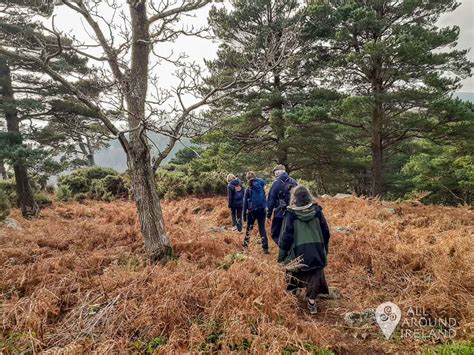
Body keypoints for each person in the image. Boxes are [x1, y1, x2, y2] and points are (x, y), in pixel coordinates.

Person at [278, 185, 330, 315]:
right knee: (315, 273)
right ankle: (312, 303)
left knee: (292, 268)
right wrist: (324, 249)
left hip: (298, 250)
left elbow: (286, 237)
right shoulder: (317, 210)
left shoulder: (291, 213)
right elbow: (326, 232)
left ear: (294, 198)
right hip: (316, 248)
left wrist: (281, 256)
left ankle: (293, 297)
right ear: (308, 196)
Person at [267, 165, 297, 245]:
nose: (275, 175)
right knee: (291, 233)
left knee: (275, 234)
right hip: (294, 212)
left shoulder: (276, 183)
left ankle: (283, 250)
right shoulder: (293, 182)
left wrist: (268, 215)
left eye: (275, 173)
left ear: (277, 172)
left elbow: (271, 199)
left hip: (280, 213)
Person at [243, 171, 269, 254]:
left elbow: (245, 203)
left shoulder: (248, 189)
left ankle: (245, 247)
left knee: (249, 229)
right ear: (255, 177)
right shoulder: (261, 187)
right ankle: (265, 248)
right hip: (262, 210)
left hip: (252, 211)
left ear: (247, 179)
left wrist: (244, 215)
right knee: (262, 229)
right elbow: (265, 198)